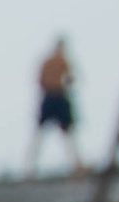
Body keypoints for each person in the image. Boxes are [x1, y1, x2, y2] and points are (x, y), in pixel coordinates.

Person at [28, 38, 81, 177]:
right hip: (58, 95)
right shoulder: (62, 60)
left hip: (49, 95)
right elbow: (71, 79)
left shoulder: (47, 61)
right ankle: (76, 165)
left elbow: (39, 80)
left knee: (44, 132)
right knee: (66, 132)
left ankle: (30, 167)